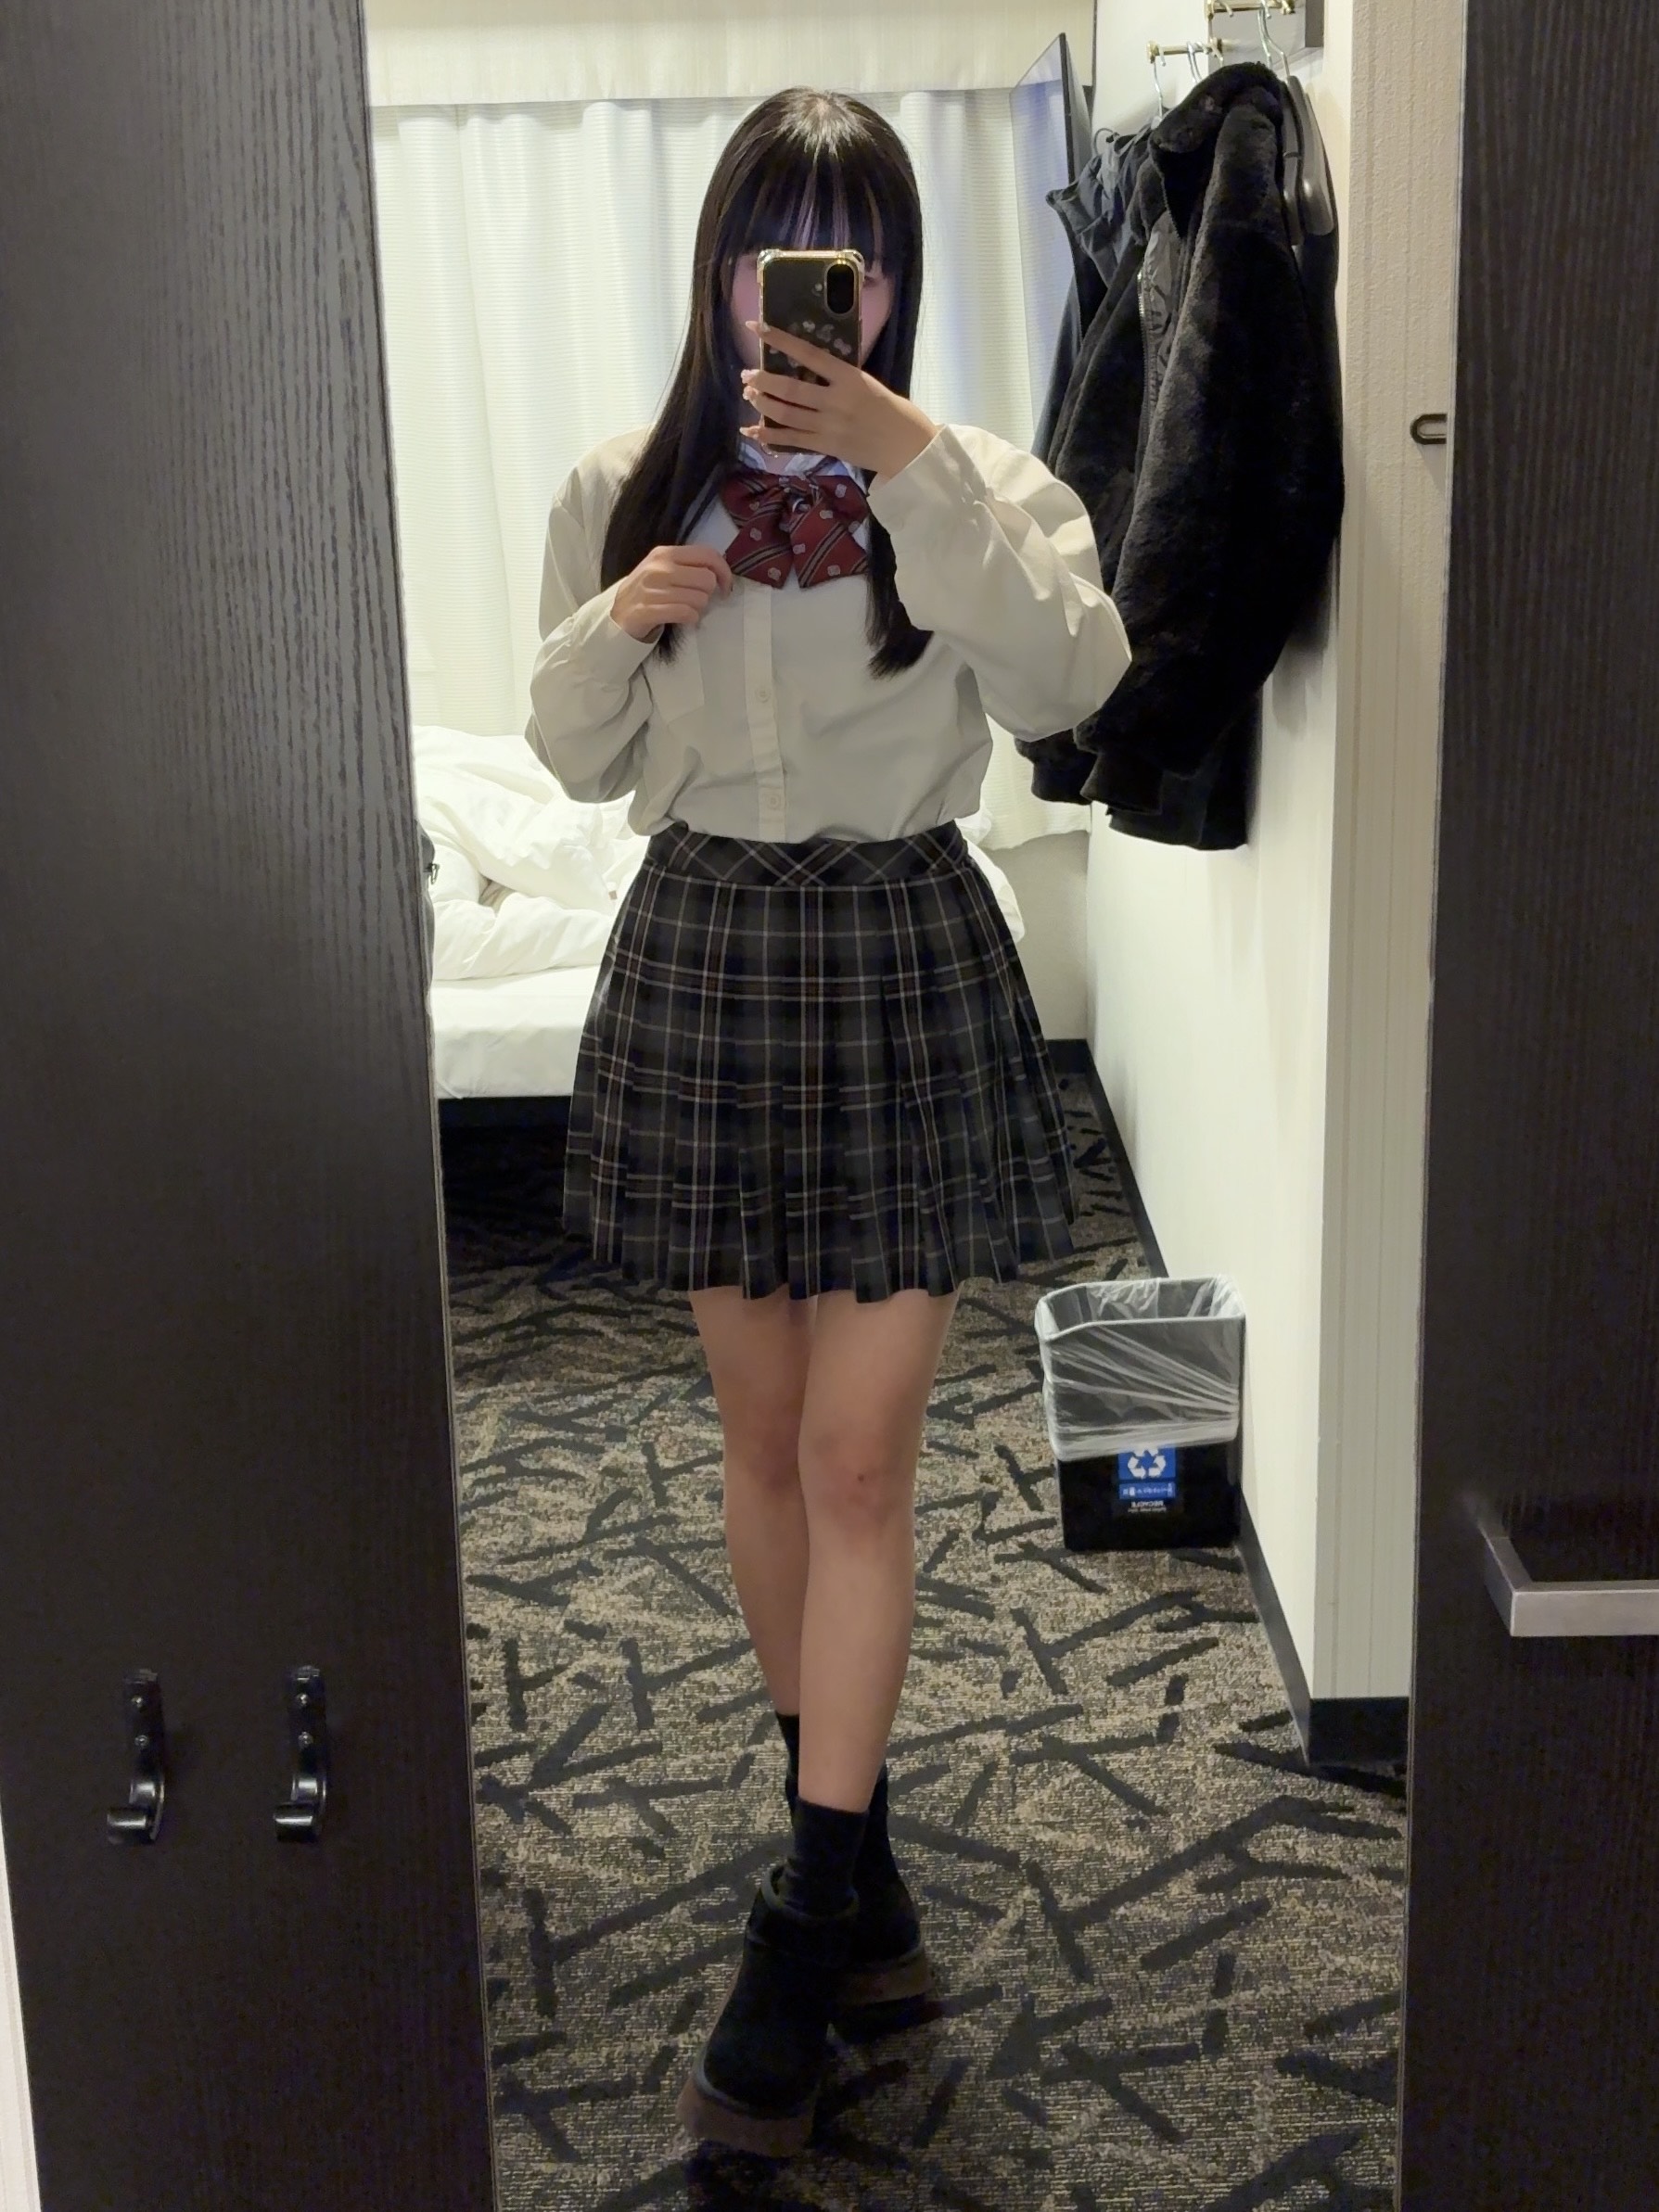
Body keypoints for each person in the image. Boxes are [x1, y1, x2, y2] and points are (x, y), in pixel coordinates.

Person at [526, 86, 1129, 2160]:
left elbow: (1068, 685)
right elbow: (571, 759)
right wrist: (620, 616)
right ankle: (845, 1830)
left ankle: (801, 1918)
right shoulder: (623, 482)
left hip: (896, 951)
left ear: (892, 284)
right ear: (718, 271)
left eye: (849, 256)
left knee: (863, 1454)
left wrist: (910, 465)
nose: (813, 291)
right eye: (776, 247)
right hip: (704, 950)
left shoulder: (981, 480)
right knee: (766, 1437)